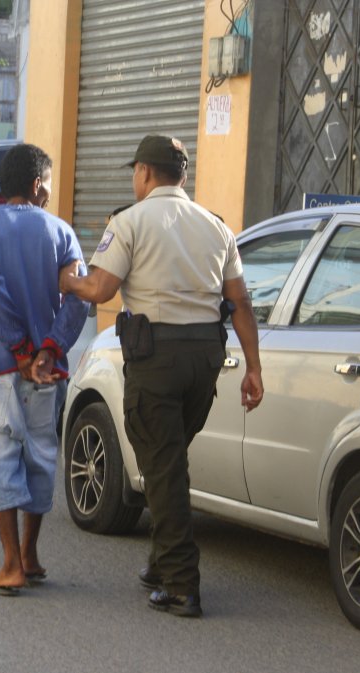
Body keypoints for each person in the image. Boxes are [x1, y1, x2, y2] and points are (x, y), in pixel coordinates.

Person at [60, 134, 264, 618]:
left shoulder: (127, 222)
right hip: (206, 360)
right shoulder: (218, 227)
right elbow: (241, 304)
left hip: (157, 358)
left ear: (145, 174)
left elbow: (99, 287)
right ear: (183, 176)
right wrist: (254, 367)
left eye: (135, 171)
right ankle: (159, 562)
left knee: (164, 465)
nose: (134, 178)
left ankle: (180, 584)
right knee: (166, 459)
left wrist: (65, 278)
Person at [0, 143, 90, 597]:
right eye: (49, 185)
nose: (50, 193)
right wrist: (48, 352)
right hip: (46, 373)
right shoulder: (62, 233)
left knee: (0, 457)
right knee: (39, 457)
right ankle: (32, 556)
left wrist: (18, 348)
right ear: (37, 186)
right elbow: (78, 296)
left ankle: (11, 563)